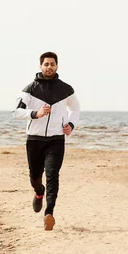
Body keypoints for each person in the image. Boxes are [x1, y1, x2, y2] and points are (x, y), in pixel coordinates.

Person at [12, 51, 80, 230]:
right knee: (35, 178)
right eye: (46, 64)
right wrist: (36, 114)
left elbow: (75, 108)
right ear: (41, 66)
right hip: (34, 140)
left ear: (57, 66)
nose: (49, 67)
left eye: (52, 64)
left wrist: (71, 125)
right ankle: (38, 193)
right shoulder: (30, 89)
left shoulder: (66, 89)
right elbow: (17, 112)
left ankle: (49, 213)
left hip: (56, 140)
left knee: (52, 176)